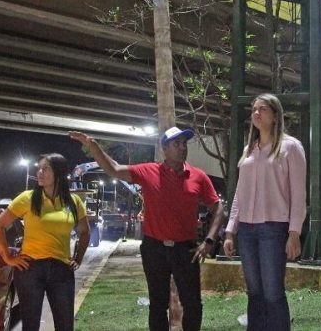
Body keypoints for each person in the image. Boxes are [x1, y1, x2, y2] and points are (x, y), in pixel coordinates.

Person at [69, 127, 224, 331]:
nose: (182, 148)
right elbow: (114, 169)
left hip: (186, 250)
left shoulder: (198, 176)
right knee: (158, 306)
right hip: (155, 249)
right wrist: (92, 145)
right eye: (176, 144)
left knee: (193, 304)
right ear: (164, 150)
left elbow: (218, 207)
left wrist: (210, 240)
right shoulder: (148, 171)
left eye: (184, 143)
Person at [222, 94, 307, 331]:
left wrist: (294, 232)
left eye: (263, 109)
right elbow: (240, 193)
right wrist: (230, 230)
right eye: (254, 109)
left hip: (274, 228)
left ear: (276, 115)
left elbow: (299, 194)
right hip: (247, 231)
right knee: (254, 293)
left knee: (272, 293)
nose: (256, 113)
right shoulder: (249, 150)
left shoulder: (290, 147)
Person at [0, 153, 90, 331]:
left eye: (46, 169)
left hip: (61, 269)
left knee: (65, 324)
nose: (40, 173)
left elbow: (85, 232)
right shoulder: (27, 198)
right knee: (30, 325)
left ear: (58, 173)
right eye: (39, 168)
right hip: (31, 269)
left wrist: (78, 258)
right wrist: (7, 257)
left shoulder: (73, 202)